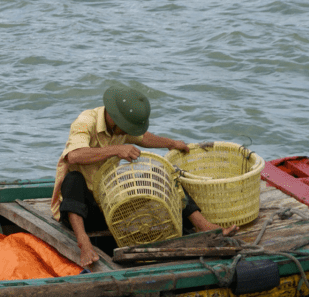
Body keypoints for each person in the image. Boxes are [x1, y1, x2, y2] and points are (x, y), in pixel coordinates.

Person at [51, 85, 236, 268]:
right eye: (125, 128)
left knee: (162, 175)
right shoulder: (85, 122)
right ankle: (84, 242)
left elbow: (143, 138)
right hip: (81, 210)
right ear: (114, 118)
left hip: (108, 204)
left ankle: (203, 225)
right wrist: (116, 149)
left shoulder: (120, 129)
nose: (127, 133)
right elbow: (74, 155)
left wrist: (172, 143)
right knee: (73, 179)